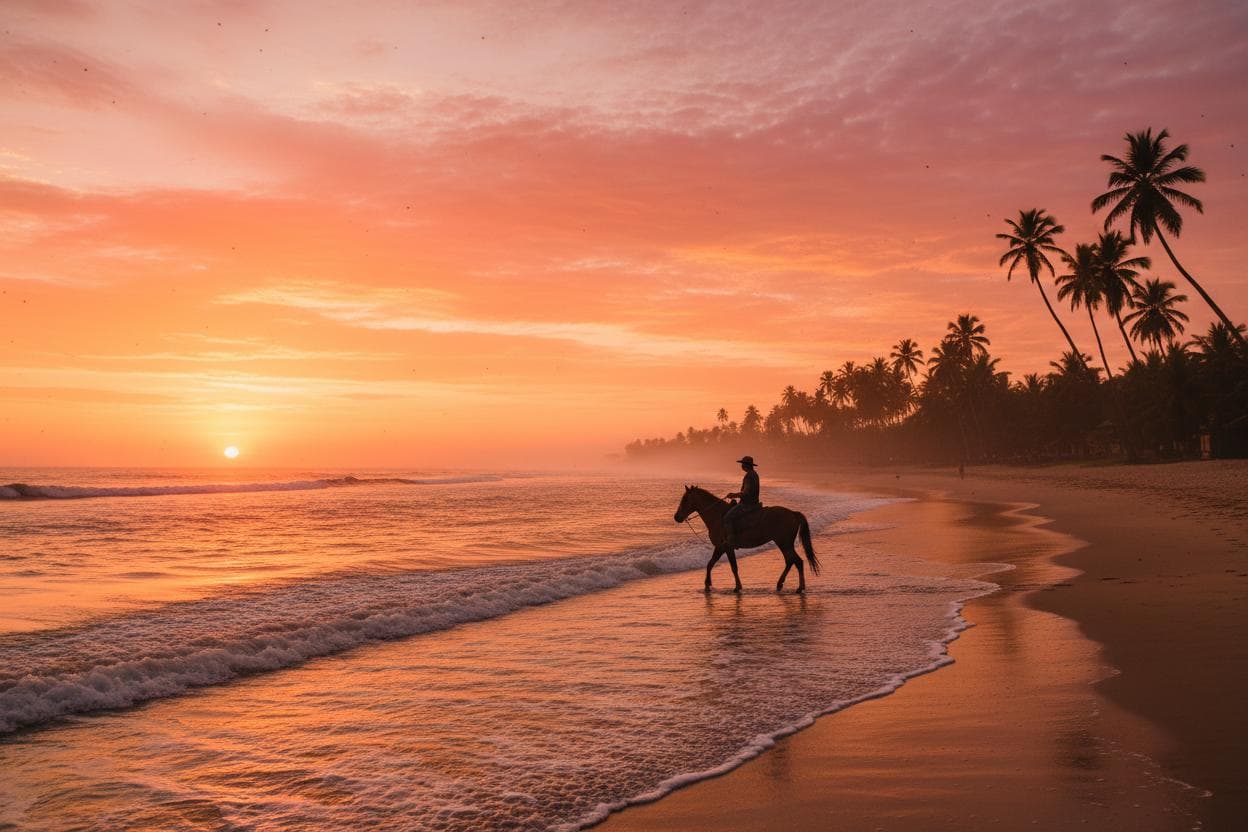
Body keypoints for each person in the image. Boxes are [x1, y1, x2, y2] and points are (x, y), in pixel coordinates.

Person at [723, 455, 761, 549]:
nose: (741, 466)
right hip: (754, 502)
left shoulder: (749, 476)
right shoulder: (754, 474)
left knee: (727, 518)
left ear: (745, 465)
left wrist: (733, 495)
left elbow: (746, 492)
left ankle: (731, 541)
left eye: (742, 464)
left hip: (747, 504)